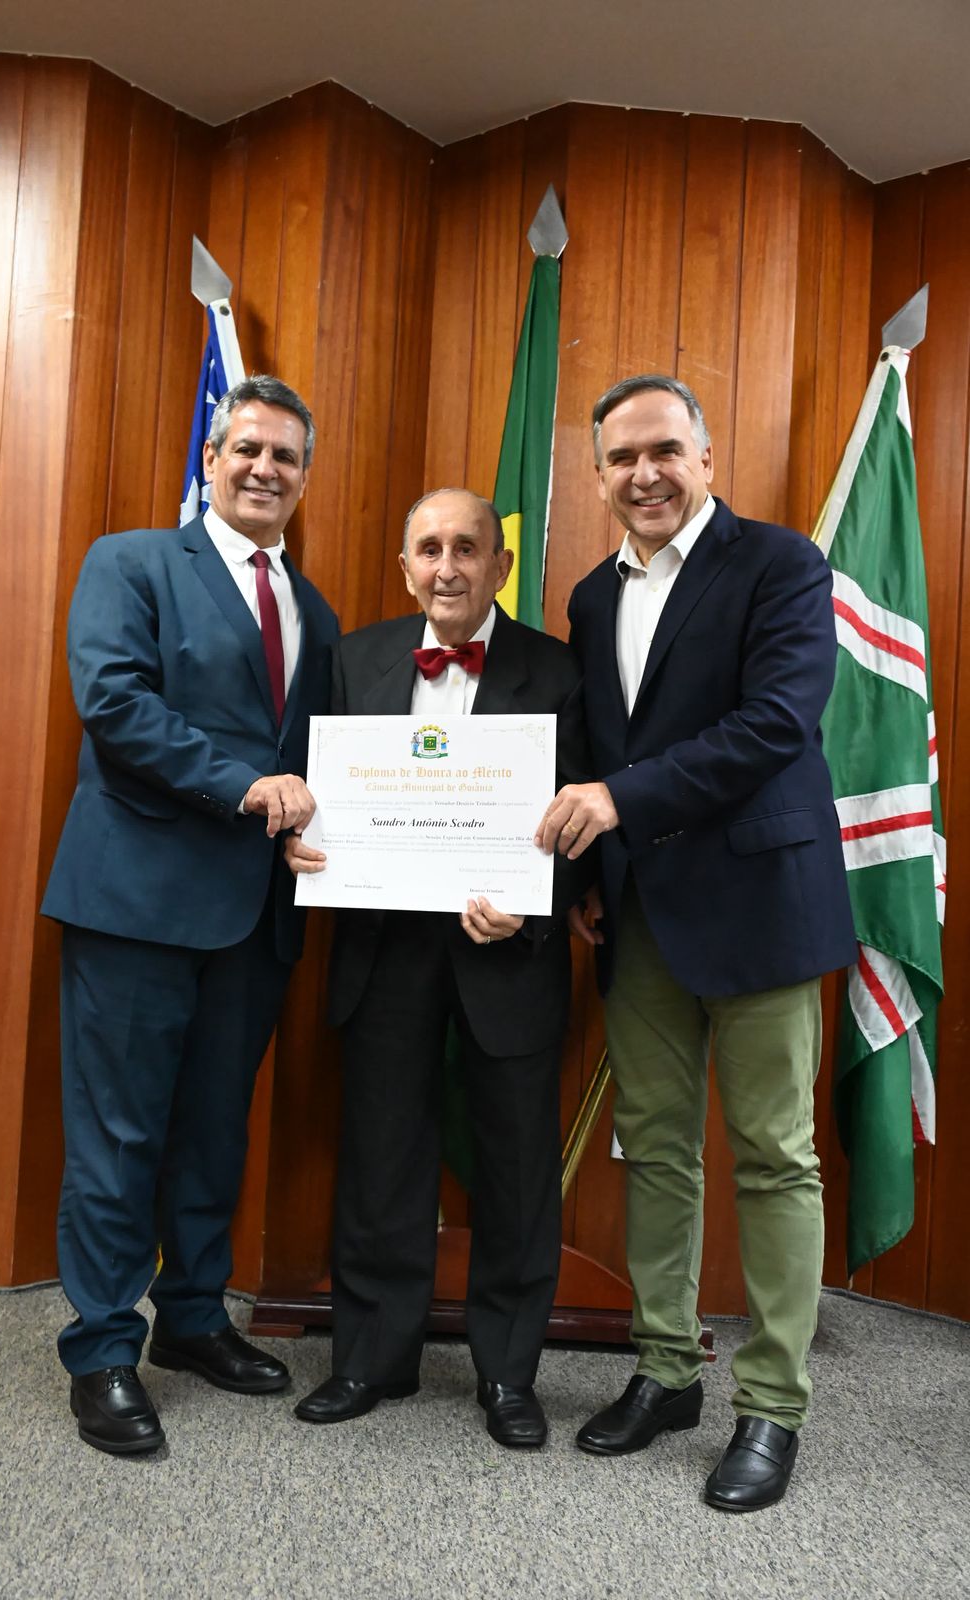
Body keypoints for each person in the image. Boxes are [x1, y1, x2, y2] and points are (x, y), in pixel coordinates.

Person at [537, 374, 856, 1510]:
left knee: (773, 1157)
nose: (645, 474)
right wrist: (585, 873)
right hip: (639, 915)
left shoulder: (779, 565)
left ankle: (771, 1404)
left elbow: (775, 724)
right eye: (621, 457)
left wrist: (618, 803)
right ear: (597, 476)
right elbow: (594, 745)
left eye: (664, 449)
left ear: (706, 459)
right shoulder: (589, 596)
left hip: (761, 906)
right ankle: (666, 1369)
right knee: (657, 1151)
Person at [42, 375, 339, 1454]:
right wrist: (246, 788)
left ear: (303, 478)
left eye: (286, 457)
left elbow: (311, 762)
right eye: (246, 448)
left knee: (215, 1129)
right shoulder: (130, 562)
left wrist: (318, 821)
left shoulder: (313, 609)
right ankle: (102, 1349)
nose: (265, 468)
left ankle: (195, 1318)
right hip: (137, 903)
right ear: (211, 460)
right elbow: (114, 703)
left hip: (254, 917)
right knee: (120, 1134)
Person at [286, 488, 590, 1448]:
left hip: (508, 951)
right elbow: (318, 791)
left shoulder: (560, 670)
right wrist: (303, 842)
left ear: (500, 565)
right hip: (383, 948)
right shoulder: (355, 658)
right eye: (429, 549)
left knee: (517, 1166)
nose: (448, 567)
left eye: (467, 548)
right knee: (382, 1155)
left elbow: (586, 820)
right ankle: (370, 1358)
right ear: (406, 566)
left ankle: (508, 1372)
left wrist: (537, 899)